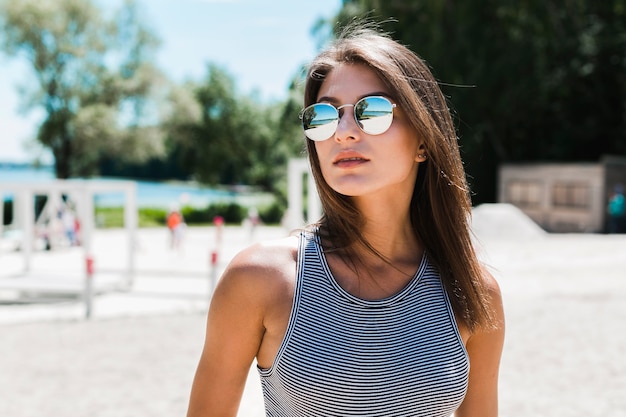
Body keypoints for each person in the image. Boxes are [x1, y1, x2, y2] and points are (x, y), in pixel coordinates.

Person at [187, 24, 505, 417]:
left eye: (371, 111)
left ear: (424, 139)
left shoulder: (474, 292)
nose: (343, 132)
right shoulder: (261, 279)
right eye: (323, 116)